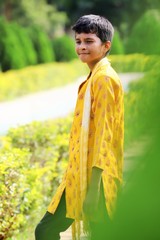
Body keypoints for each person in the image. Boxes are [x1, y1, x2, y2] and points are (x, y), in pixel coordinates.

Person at [35, 14, 124, 240]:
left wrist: (93, 189)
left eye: (88, 41)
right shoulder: (95, 76)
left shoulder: (103, 79)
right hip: (79, 174)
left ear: (106, 46)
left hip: (97, 178)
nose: (81, 46)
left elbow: (104, 136)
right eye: (78, 41)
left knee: (47, 231)